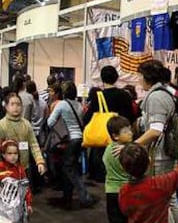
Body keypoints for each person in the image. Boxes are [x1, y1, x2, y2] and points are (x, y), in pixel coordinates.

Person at [118, 126, 178, 223]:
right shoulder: (161, 184)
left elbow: (125, 211)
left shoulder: (124, 191)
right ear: (149, 161)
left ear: (124, 168)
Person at [47, 81, 97, 209]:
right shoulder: (79, 105)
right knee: (70, 168)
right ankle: (68, 196)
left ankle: (83, 196)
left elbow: (50, 122)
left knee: (69, 170)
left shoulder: (62, 104)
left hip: (69, 140)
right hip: (79, 139)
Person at [84, 66, 134, 183]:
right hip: (121, 140)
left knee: (103, 175)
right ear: (116, 78)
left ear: (102, 78)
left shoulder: (98, 96)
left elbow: (88, 117)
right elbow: (130, 117)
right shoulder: (125, 95)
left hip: (102, 139)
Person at [0, 93, 46, 177]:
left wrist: (40, 161)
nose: (16, 107)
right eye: (12, 104)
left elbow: (33, 144)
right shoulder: (2, 124)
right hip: (7, 169)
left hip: (25, 167)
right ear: (6, 107)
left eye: (18, 104)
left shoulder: (26, 123)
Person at [102, 116, 133, 223]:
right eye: (126, 131)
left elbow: (105, 163)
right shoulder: (128, 151)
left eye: (130, 129)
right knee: (130, 222)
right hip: (127, 190)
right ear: (115, 136)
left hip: (111, 191)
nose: (130, 133)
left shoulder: (108, 149)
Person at [26, 80, 49, 193]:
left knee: (30, 160)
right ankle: (41, 180)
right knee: (39, 158)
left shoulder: (28, 102)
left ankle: (32, 184)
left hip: (31, 132)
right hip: (41, 133)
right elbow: (46, 117)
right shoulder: (43, 103)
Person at [0, 139, 33, 215]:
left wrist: (28, 203)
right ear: (3, 155)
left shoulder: (20, 170)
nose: (13, 156)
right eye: (10, 153)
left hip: (17, 206)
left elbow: (26, 188)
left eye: (15, 153)